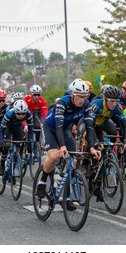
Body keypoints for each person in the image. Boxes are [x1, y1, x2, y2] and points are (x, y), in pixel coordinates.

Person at [36, 79, 101, 210]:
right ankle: (42, 180)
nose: (82, 100)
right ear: (71, 94)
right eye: (79, 97)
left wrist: (93, 146)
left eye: (84, 97)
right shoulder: (62, 103)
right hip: (51, 128)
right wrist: (62, 146)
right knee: (54, 157)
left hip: (65, 130)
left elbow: (89, 127)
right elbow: (58, 126)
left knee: (75, 162)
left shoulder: (86, 105)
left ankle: (65, 196)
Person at [0, 100, 34, 175]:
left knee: (18, 148)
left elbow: (31, 130)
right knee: (7, 145)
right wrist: (1, 142)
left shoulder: (29, 114)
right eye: (18, 114)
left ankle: (12, 171)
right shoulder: (9, 114)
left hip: (18, 127)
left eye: (23, 114)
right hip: (8, 127)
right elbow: (1, 131)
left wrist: (30, 142)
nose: (21, 116)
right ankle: (2, 163)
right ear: (15, 112)